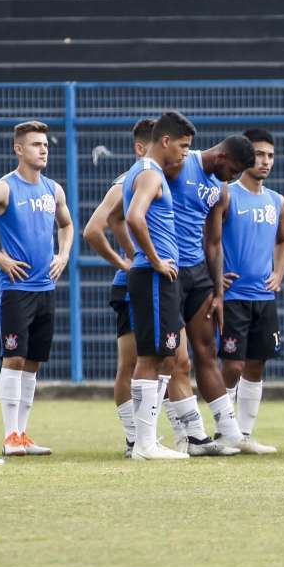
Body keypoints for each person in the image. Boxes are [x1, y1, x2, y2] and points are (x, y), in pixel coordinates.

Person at [0, 121, 74, 464]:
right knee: (15, 358)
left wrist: (63, 255)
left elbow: (67, 225)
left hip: (45, 288)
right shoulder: (3, 189)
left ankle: (22, 434)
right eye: (36, 144)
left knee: (34, 363)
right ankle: (10, 435)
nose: (43, 149)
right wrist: (0, 257)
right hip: (15, 288)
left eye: (46, 144)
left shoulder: (54, 190)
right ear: (18, 149)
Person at [166, 135, 254, 454]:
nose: (232, 178)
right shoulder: (177, 164)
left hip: (198, 275)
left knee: (207, 351)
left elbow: (214, 242)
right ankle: (189, 435)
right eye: (232, 170)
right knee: (177, 358)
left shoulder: (221, 189)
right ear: (221, 156)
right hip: (168, 273)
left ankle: (229, 433)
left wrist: (218, 294)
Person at [122, 111, 196, 460]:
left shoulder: (143, 172)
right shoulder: (150, 173)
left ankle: (146, 441)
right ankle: (144, 444)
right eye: (182, 146)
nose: (185, 153)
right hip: (154, 274)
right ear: (165, 141)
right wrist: (153, 259)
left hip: (156, 275)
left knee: (162, 354)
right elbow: (134, 217)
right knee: (151, 356)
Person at [83, 118, 156, 457]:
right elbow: (93, 229)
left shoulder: (165, 179)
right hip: (131, 286)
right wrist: (127, 259)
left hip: (164, 283)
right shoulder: (126, 182)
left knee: (168, 361)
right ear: (142, 148)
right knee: (131, 364)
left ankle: (154, 437)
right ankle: (133, 439)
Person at [213, 128, 284, 454]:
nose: (266, 161)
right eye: (259, 155)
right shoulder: (226, 193)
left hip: (263, 297)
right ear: (245, 157)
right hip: (233, 298)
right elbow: (211, 240)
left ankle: (244, 435)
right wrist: (215, 278)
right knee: (232, 366)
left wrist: (280, 271)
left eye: (270, 155)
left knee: (257, 364)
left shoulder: (277, 200)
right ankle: (223, 433)